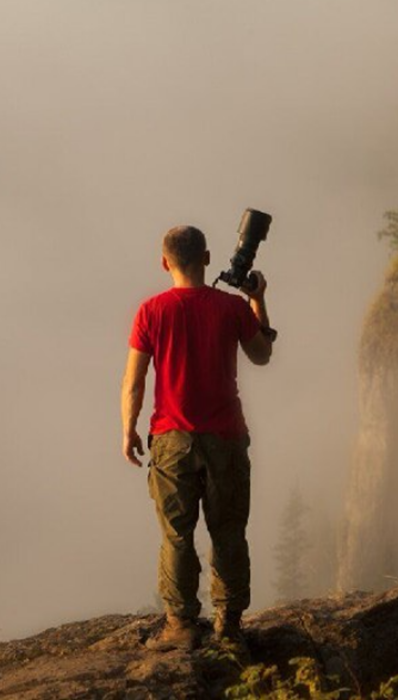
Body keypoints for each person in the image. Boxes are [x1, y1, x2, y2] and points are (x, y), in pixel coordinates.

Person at [121, 225, 275, 651]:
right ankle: (229, 626)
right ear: (207, 259)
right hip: (225, 436)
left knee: (176, 534)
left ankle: (181, 624)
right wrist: (257, 300)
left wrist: (128, 429)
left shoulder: (150, 311)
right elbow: (262, 355)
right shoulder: (231, 308)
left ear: (164, 262)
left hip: (171, 438)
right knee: (228, 531)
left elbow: (134, 382)